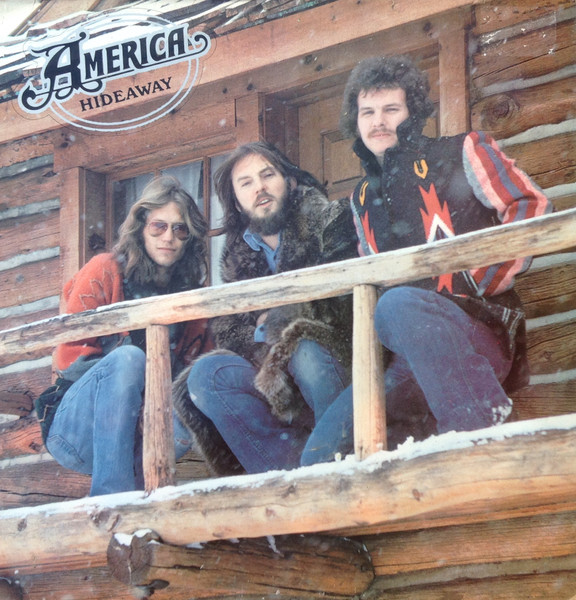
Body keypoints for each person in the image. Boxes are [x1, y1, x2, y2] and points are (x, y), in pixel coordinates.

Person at [300, 54, 553, 465]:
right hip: (408, 356)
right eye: (367, 112)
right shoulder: (361, 199)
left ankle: (490, 446)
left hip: (478, 329)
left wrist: (479, 281)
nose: (378, 122)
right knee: (321, 456)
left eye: (391, 109)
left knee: (397, 303)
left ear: (413, 112)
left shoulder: (462, 150)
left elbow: (530, 205)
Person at [174, 141, 356, 475]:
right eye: (246, 183)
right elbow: (230, 332)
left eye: (267, 175)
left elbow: (347, 304)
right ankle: (286, 477)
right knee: (206, 375)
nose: (259, 187)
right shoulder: (235, 257)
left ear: (289, 181)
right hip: (276, 382)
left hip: (340, 368)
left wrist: (281, 323)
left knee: (304, 350)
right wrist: (271, 330)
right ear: (237, 202)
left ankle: (339, 466)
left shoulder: (329, 221)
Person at [42, 176, 213, 496]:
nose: (169, 237)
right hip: (77, 432)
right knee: (130, 358)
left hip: (144, 438)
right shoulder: (105, 269)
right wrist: (137, 393)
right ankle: (110, 498)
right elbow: (69, 361)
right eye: (159, 226)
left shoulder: (192, 296)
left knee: (199, 383)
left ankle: (146, 499)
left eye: (180, 229)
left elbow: (197, 371)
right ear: (141, 227)